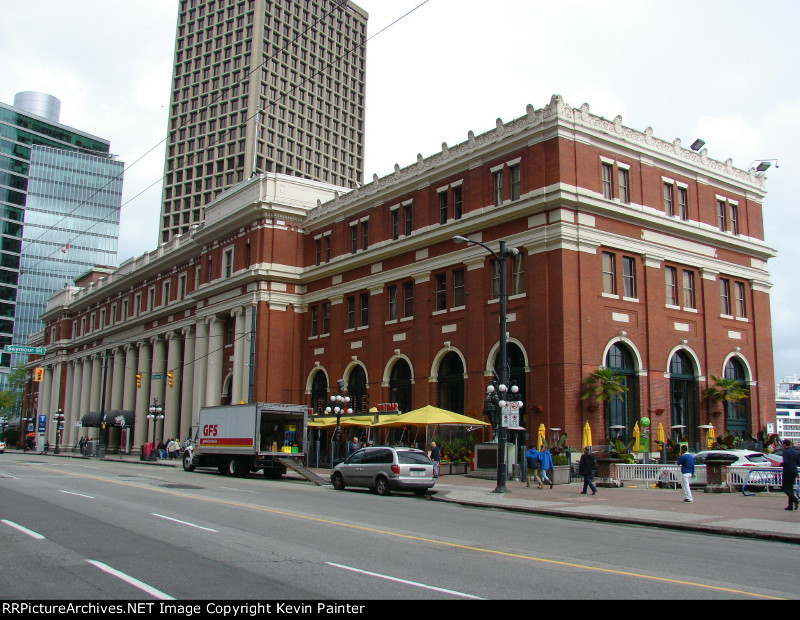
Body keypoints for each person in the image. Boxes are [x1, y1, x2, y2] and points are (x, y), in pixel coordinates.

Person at [780, 439, 799, 511]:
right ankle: (790, 505)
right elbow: (797, 461)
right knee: (790, 488)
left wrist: (781, 464)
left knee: (784, 487)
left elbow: (786, 462)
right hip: (794, 470)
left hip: (788, 471)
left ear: (784, 445)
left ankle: (795, 500)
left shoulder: (785, 452)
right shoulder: (794, 451)